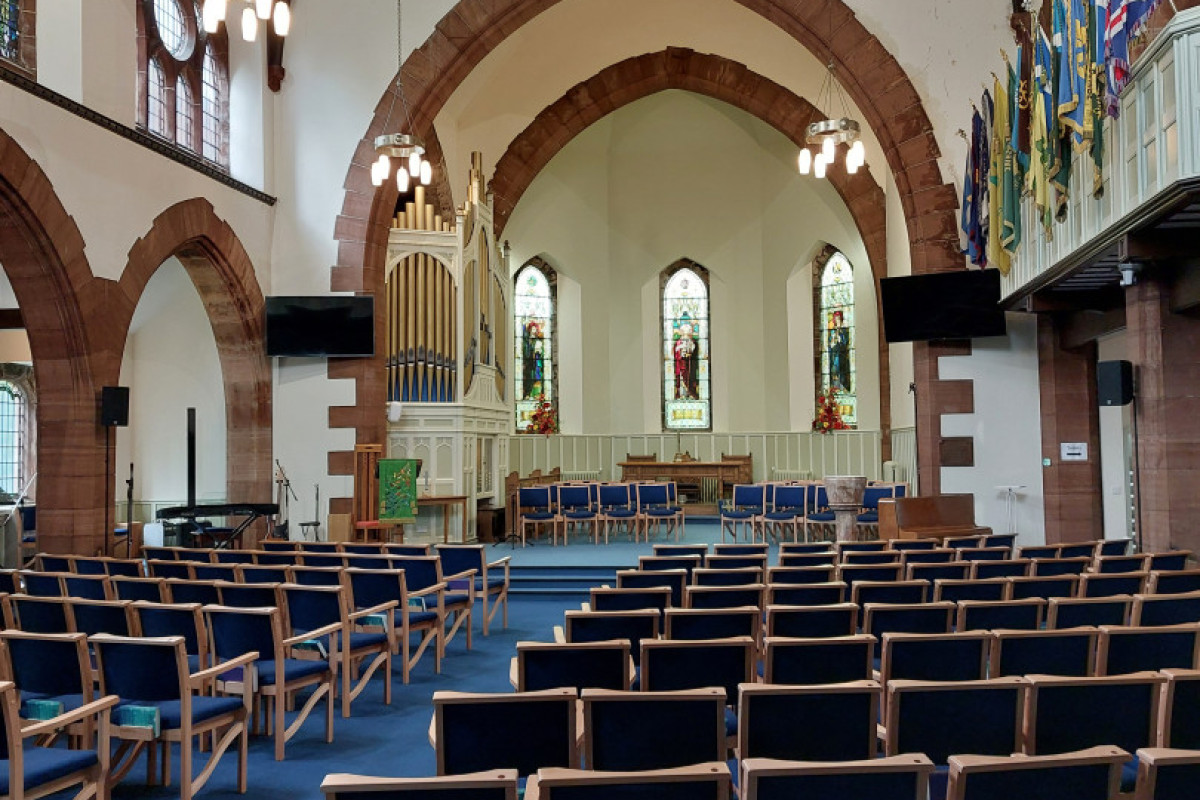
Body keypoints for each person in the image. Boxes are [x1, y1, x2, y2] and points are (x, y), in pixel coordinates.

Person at [828, 310, 851, 392]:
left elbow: (846, 342)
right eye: (836, 318)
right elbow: (830, 343)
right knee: (834, 370)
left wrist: (841, 340)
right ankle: (835, 387)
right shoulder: (833, 331)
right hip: (834, 354)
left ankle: (843, 387)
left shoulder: (844, 330)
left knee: (842, 371)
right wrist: (833, 341)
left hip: (842, 354)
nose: (837, 320)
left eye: (839, 319)